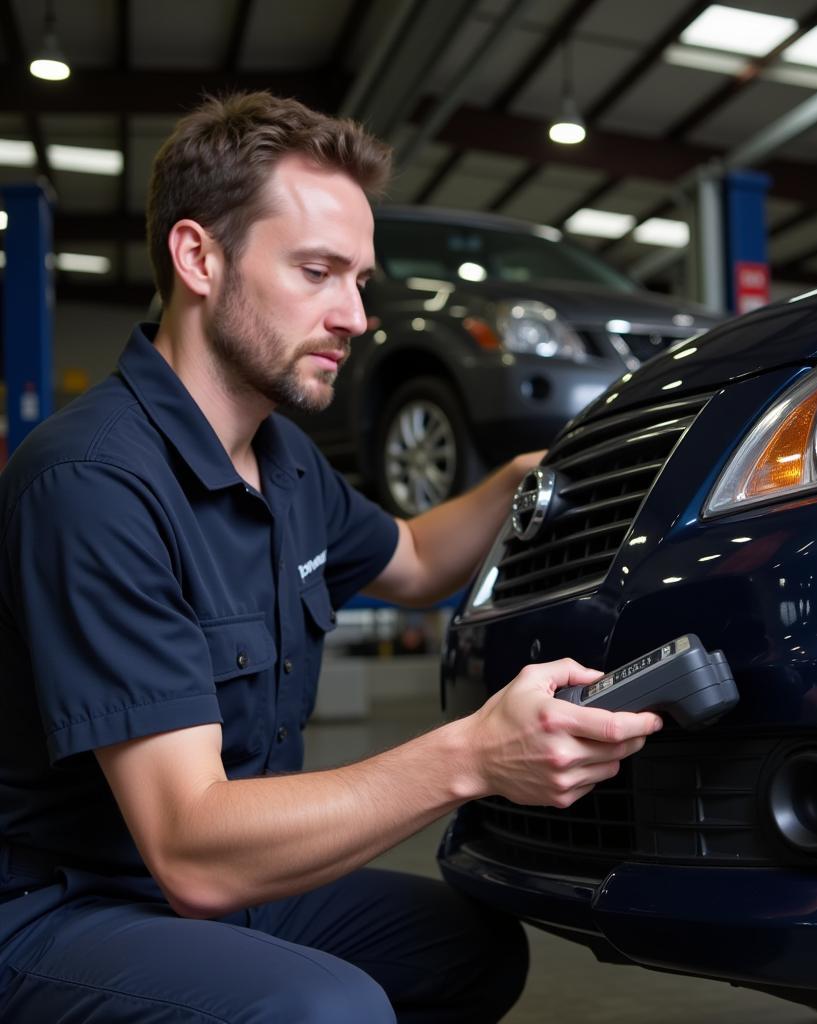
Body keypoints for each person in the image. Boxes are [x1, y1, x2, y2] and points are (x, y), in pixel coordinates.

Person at [0, 92, 662, 1023]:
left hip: (217, 886)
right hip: (61, 909)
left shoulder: (286, 461)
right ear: (198, 258)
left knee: (468, 949)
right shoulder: (93, 482)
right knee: (326, 1008)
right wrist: (471, 757)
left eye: (359, 278)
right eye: (318, 272)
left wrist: (528, 474)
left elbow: (418, 555)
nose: (354, 314)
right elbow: (190, 850)